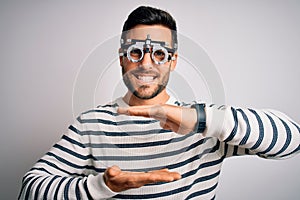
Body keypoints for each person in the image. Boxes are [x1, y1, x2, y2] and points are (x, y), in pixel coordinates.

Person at [19, 6, 300, 200]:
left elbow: (293, 140)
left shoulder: (206, 124)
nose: (146, 64)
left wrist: (201, 120)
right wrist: (101, 186)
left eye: (160, 54)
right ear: (121, 58)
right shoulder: (90, 124)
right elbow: (31, 188)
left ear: (173, 60)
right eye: (136, 51)